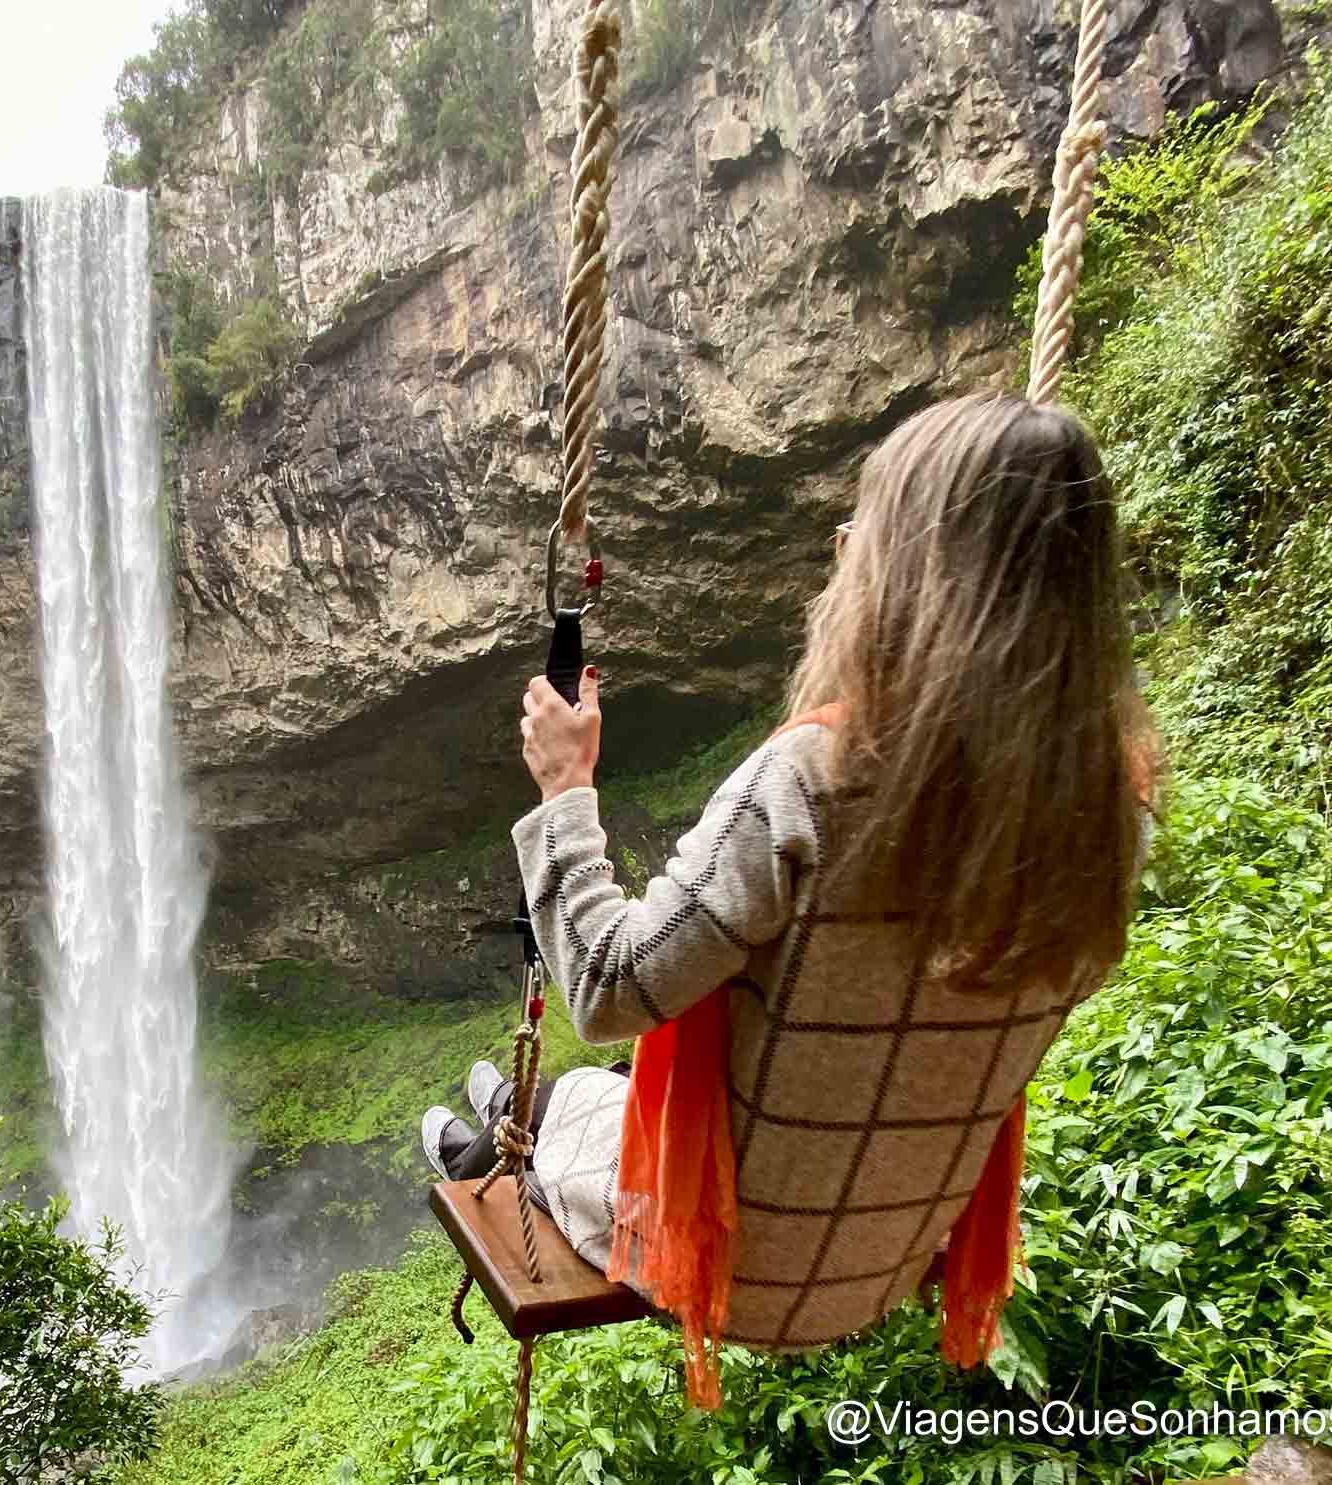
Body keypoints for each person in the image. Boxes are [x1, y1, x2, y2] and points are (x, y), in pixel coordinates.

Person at [421, 392, 1159, 1404]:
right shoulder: (1114, 807)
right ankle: (504, 1114)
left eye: (865, 530)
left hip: (725, 1266)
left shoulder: (815, 781)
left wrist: (565, 790)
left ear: (913, 574)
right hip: (888, 1262)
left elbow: (604, 990)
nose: (843, 550)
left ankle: (502, 1134)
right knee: (588, 1104)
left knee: (594, 1101)